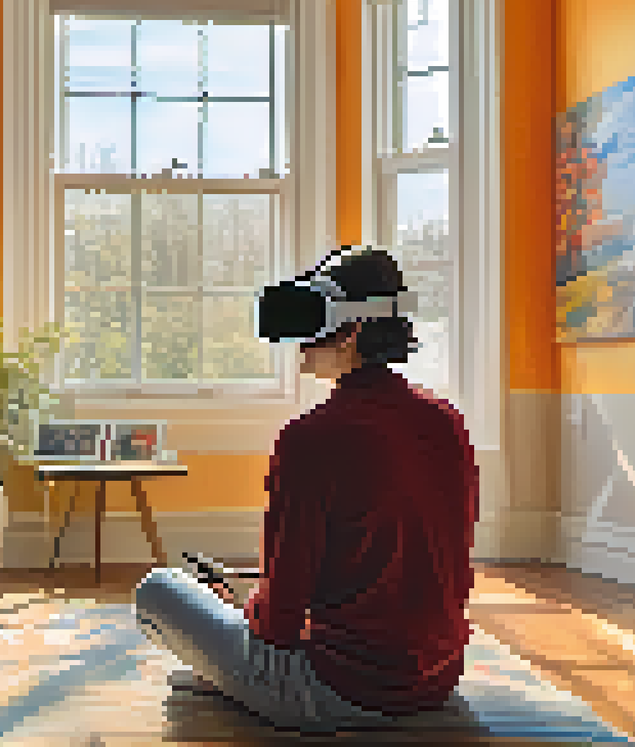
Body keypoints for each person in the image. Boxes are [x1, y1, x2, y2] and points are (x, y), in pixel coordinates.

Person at [133, 246, 481, 734]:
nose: (299, 344)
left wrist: (246, 607)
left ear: (353, 331)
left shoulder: (309, 437)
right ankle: (227, 667)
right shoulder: (448, 422)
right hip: (437, 680)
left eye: (314, 322)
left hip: (334, 690)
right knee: (238, 603)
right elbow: (444, 567)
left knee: (158, 591)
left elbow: (277, 626)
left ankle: (231, 681)